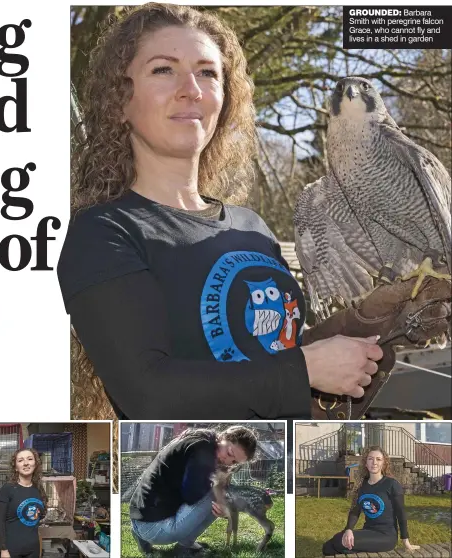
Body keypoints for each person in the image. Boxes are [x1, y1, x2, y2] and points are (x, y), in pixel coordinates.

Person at [58, 3, 384, 420]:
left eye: (207, 72)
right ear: (120, 101)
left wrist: (359, 337)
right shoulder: (103, 234)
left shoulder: (252, 228)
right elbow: (148, 394)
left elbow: (271, 352)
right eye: (163, 70)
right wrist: (307, 368)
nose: (190, 89)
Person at [129, 425, 257, 555]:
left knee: (215, 492)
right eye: (230, 453)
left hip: (139, 519)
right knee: (217, 495)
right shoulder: (203, 451)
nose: (228, 461)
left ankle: (145, 539)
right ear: (225, 437)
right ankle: (185, 546)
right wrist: (221, 502)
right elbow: (191, 495)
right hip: (154, 528)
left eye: (234, 462)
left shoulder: (201, 438)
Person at [322, 446, 420, 556]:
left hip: (386, 536)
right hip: (368, 531)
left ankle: (353, 549)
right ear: (365, 463)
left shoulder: (392, 484)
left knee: (338, 542)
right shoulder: (361, 485)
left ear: (384, 463)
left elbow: (401, 513)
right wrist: (348, 529)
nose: (374, 462)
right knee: (327, 547)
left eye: (378, 459)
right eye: (370, 459)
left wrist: (405, 541)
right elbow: (355, 511)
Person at [0, 448, 48, 558]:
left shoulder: (38, 489)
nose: (25, 463)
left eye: (30, 459)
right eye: (20, 460)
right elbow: (0, 522)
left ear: (35, 464)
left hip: (33, 548)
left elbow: (40, 514)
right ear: (15, 467)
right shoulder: (8, 489)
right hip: (11, 549)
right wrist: (3, 549)